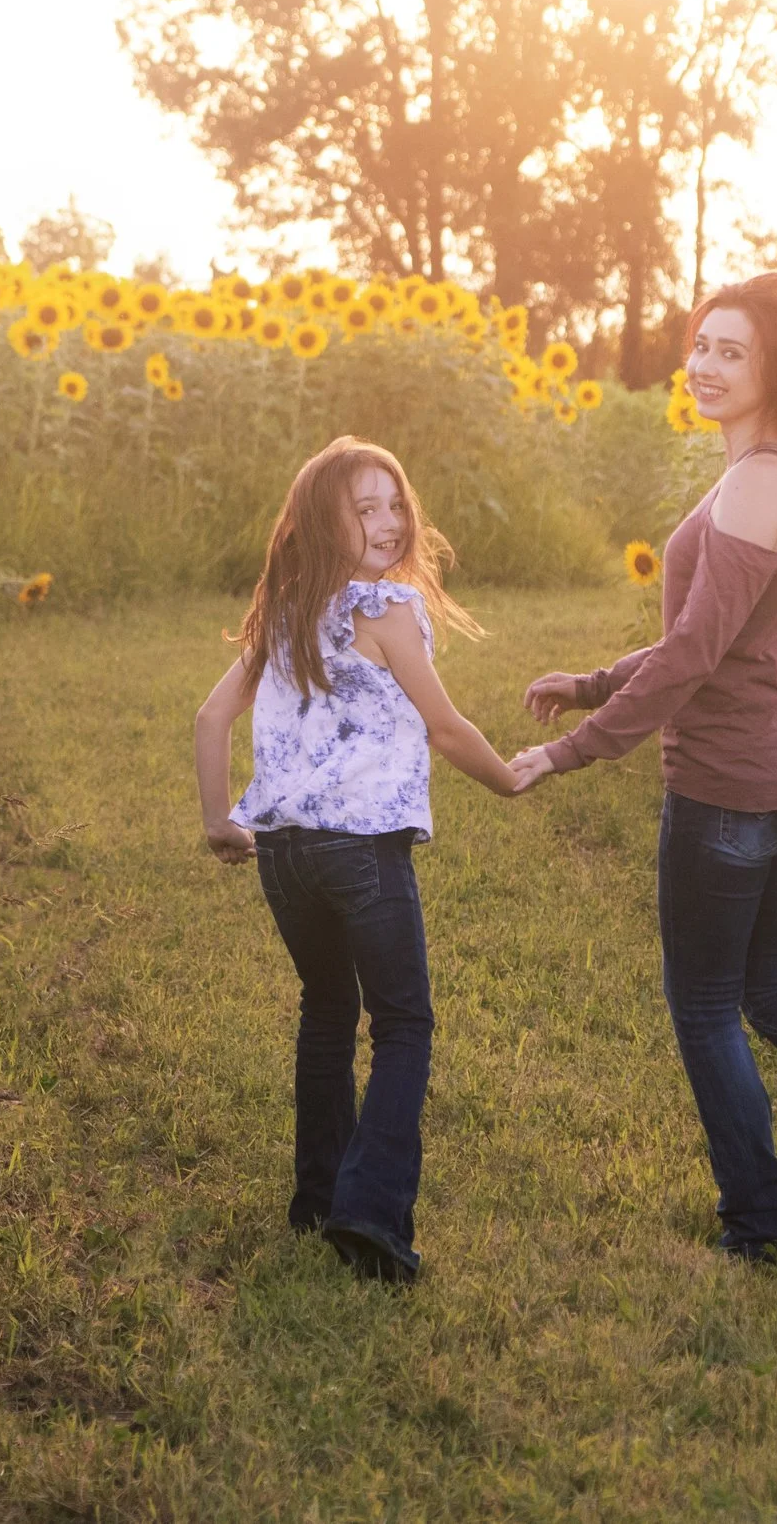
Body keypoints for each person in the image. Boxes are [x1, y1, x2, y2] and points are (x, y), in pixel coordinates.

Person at [509, 270, 777, 1268]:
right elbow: (723, 637)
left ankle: (757, 1219)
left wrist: (569, 748)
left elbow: (696, 655)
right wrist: (591, 680)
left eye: (730, 351)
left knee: (709, 1000)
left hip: (733, 789)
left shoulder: (757, 481)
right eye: (700, 344)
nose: (703, 365)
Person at [194, 435, 527, 1285]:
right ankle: (371, 1213)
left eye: (395, 503)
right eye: (365, 508)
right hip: (362, 852)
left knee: (326, 1009)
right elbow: (447, 727)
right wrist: (510, 777)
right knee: (404, 1023)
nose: (389, 521)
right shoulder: (384, 609)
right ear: (320, 524)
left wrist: (218, 821)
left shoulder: (282, 616)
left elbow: (209, 720)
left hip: (285, 858)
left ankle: (315, 1201)